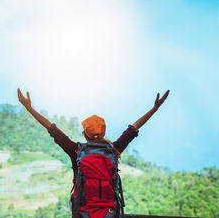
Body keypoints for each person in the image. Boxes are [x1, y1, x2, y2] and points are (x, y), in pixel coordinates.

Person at [16, 88, 169, 217]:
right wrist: (155, 108)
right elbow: (134, 128)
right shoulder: (113, 150)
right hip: (109, 213)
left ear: (85, 133)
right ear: (103, 133)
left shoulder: (76, 151)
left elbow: (52, 129)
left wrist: (29, 108)